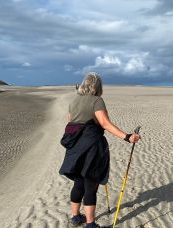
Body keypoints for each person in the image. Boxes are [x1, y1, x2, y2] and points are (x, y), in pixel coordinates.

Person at [59, 72, 140, 228]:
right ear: (98, 87)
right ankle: (90, 224)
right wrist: (127, 137)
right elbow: (105, 124)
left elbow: (71, 122)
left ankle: (75, 217)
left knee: (78, 182)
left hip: (74, 147)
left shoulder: (74, 100)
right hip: (91, 148)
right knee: (90, 184)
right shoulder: (97, 100)